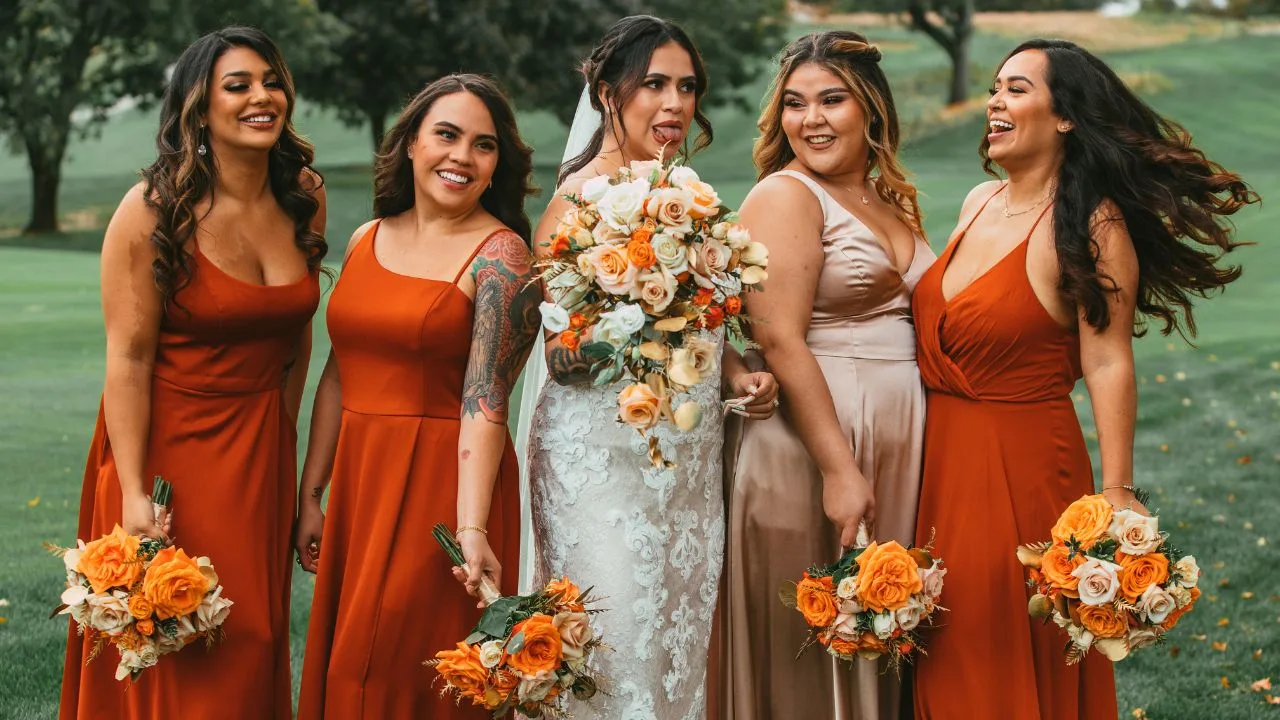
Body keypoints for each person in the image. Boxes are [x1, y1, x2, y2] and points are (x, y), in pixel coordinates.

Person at [911, 39, 1258, 719]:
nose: (994, 101)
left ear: (1065, 115)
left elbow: (1107, 359)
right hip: (941, 461)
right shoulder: (978, 201)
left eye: (1016, 89)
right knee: (946, 645)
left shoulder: (1092, 224)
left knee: (1000, 647)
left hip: (1023, 467)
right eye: (994, 87)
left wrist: (1118, 491)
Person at [60, 26, 325, 719]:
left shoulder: (302, 195)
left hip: (261, 447)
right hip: (170, 454)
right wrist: (132, 493)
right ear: (198, 109)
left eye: (271, 81)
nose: (262, 97)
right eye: (237, 86)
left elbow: (295, 338)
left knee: (254, 635)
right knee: (182, 645)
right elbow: (128, 359)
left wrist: (285, 449)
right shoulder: (153, 210)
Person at [517, 15, 778, 718]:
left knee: (676, 652)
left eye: (687, 87)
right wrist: (634, 320)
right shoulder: (575, 204)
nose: (675, 104)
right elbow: (560, 358)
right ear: (608, 93)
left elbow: (708, 324)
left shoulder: (689, 195)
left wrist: (739, 373)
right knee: (611, 650)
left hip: (686, 463)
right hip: (600, 461)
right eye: (654, 84)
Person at [294, 73, 540, 718]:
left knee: (401, 667)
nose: (462, 156)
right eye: (447, 135)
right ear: (410, 143)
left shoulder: (503, 257)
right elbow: (339, 374)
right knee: (350, 660)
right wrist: (313, 494)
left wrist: (471, 527)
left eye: (483, 145)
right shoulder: (365, 238)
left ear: (498, 163)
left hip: (443, 484)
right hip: (362, 483)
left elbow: (487, 400)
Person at [716, 30, 934, 720]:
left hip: (893, 442)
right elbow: (778, 338)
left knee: (878, 625)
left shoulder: (885, 197)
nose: (811, 119)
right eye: (795, 103)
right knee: (810, 646)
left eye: (832, 100)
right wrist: (839, 470)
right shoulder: (787, 195)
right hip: (811, 445)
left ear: (871, 108)